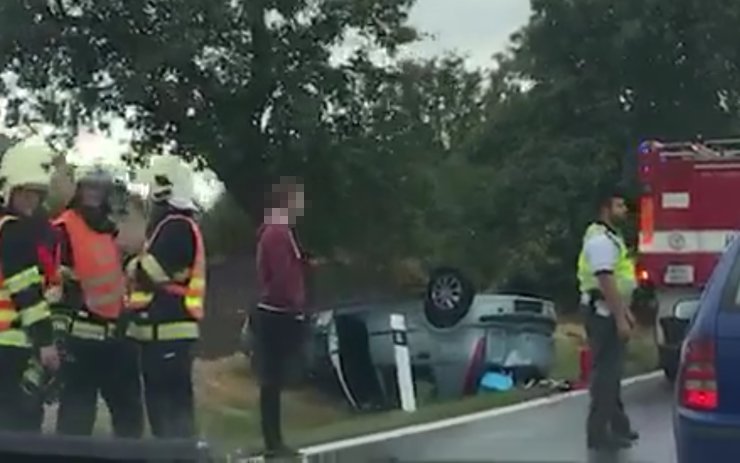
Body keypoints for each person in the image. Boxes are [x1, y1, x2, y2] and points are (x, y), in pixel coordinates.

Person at [53, 164, 144, 438]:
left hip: (115, 336)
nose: (94, 194)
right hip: (80, 338)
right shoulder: (63, 228)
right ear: (79, 190)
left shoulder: (109, 231)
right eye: (89, 187)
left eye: (99, 188)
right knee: (76, 420)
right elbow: (58, 285)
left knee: (129, 418)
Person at [125, 154, 206, 438]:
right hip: (160, 336)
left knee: (170, 414)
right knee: (168, 412)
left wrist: (131, 263)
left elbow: (148, 273)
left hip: (168, 335)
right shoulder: (173, 227)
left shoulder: (175, 227)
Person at [0, 139, 61, 432]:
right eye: (25, 193)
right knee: (20, 431)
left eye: (37, 195)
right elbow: (26, 292)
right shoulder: (13, 231)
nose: (31, 201)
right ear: (10, 190)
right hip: (10, 347)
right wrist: (46, 341)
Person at [576, 186, 640, 451]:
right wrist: (620, 318)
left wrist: (625, 311)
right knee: (606, 374)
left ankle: (618, 425)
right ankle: (598, 434)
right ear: (605, 209)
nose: (624, 210)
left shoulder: (610, 237)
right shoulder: (601, 240)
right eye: (619, 206)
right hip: (602, 312)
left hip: (607, 309)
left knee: (611, 372)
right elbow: (605, 280)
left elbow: (617, 282)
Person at [253, 176, 308, 458]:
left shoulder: (280, 231)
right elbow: (282, 276)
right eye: (297, 199)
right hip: (277, 314)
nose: (301, 206)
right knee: (272, 379)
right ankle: (273, 441)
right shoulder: (277, 233)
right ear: (286, 201)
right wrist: (293, 303)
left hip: (278, 311)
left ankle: (275, 440)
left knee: (274, 378)